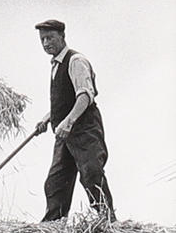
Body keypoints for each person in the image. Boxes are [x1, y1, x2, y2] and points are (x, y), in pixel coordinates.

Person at [33, 19, 115, 221]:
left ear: (62, 36)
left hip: (84, 129)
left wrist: (68, 122)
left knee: (91, 174)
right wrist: (46, 119)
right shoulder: (55, 65)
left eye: (50, 38)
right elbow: (63, 101)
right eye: (42, 39)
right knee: (55, 182)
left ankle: (107, 220)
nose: (46, 43)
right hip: (65, 133)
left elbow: (85, 95)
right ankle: (52, 226)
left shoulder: (75, 61)